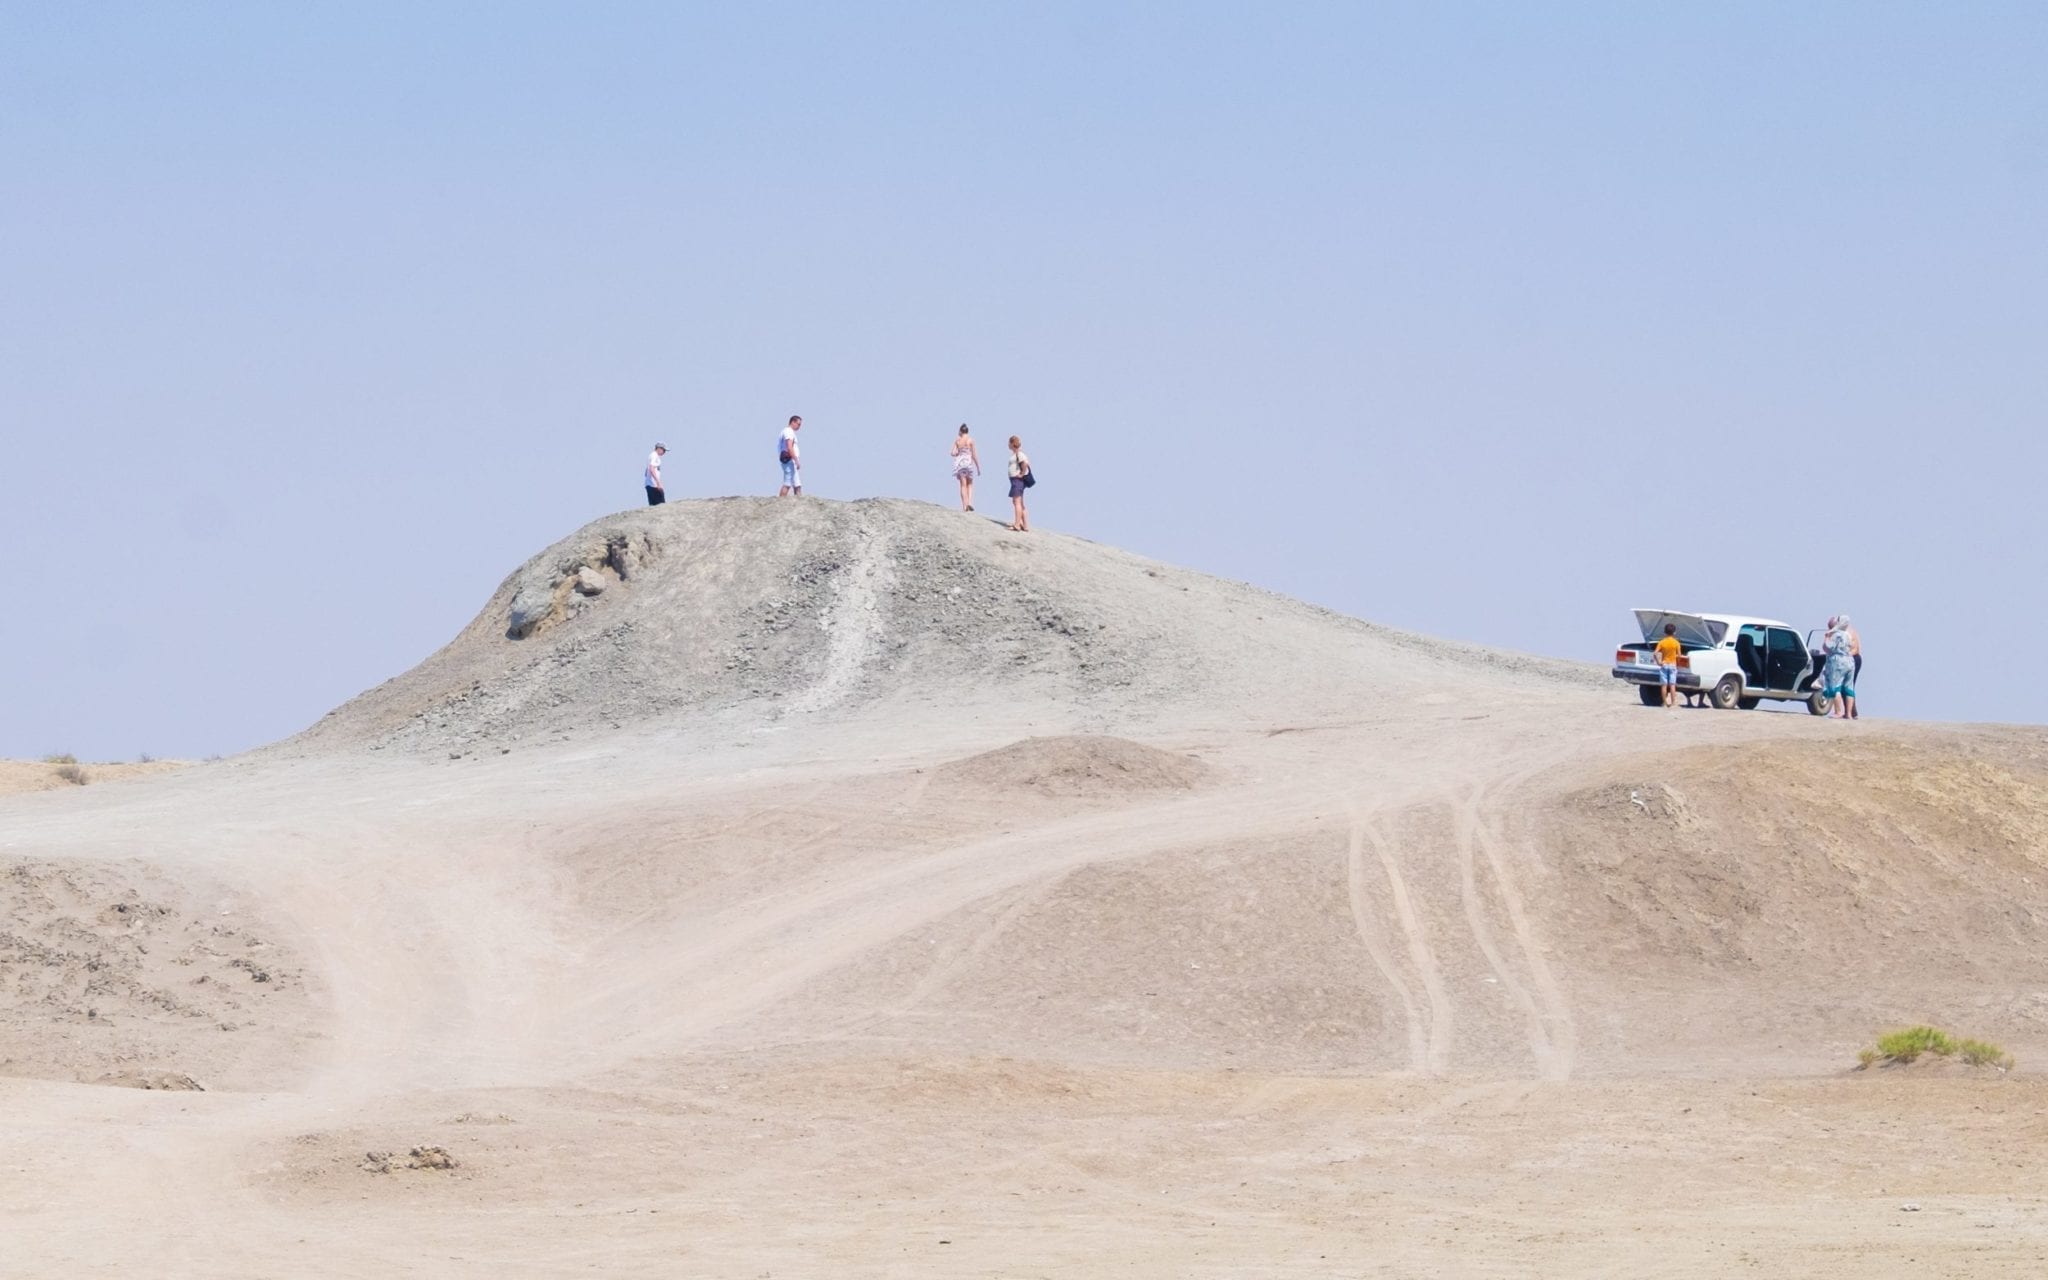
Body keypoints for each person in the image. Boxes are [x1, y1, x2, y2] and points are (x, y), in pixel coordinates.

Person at [1822, 618, 1857, 719]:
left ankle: (1838, 712)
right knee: (1849, 688)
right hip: (1850, 661)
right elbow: (1852, 646)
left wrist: (1827, 637)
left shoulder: (1835, 634)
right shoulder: (1848, 634)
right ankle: (1849, 714)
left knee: (1835, 687)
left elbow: (1826, 647)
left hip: (1837, 662)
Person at [950, 424, 981, 511]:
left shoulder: (958, 440)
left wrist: (957, 453)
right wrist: (978, 467)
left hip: (960, 464)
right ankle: (970, 503)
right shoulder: (970, 440)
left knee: (963, 485)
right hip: (969, 464)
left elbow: (952, 453)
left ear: (960, 431)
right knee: (970, 484)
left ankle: (964, 506)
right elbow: (974, 455)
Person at [1005, 435, 1032, 532]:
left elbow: (1025, 463)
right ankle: (1025, 525)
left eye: (1009, 443)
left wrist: (1021, 473)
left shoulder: (1019, 454)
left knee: (1017, 502)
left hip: (1017, 481)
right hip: (1016, 481)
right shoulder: (1018, 454)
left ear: (1012, 444)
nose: (1008, 444)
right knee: (1019, 502)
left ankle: (1017, 525)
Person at [1653, 622, 1683, 708]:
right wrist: (1678, 660)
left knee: (1664, 685)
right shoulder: (1676, 643)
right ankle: (1673, 703)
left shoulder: (1662, 642)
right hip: (1673, 665)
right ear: (1674, 632)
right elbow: (1679, 655)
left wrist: (1658, 662)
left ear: (1664, 632)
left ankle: (1665, 703)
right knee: (1672, 685)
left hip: (1664, 664)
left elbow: (1655, 653)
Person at [777, 416, 803, 497]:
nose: (799, 427)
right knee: (787, 483)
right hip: (789, 460)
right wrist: (796, 460)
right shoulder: (788, 432)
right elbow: (789, 447)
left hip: (791, 461)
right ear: (793, 422)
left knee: (797, 485)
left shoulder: (788, 431)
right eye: (798, 424)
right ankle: (780, 502)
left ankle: (799, 504)